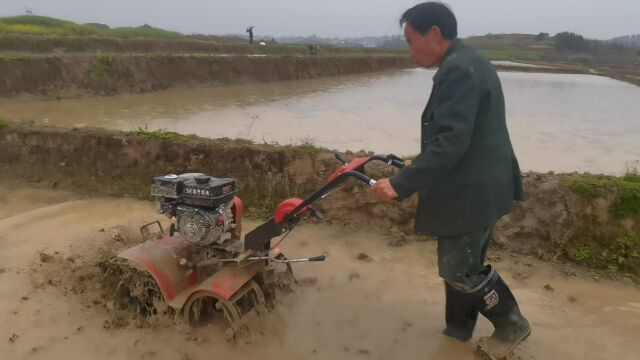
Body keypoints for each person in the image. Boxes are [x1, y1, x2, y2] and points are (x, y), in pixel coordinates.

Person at [370, 2, 530, 359]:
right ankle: (458, 331)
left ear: (435, 34)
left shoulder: (457, 69)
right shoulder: (470, 61)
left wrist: (401, 182)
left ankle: (512, 324)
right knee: (466, 265)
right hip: (486, 183)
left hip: (472, 191)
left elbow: (452, 142)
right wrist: (421, 161)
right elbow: (462, 135)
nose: (410, 50)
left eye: (412, 41)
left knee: (457, 267)